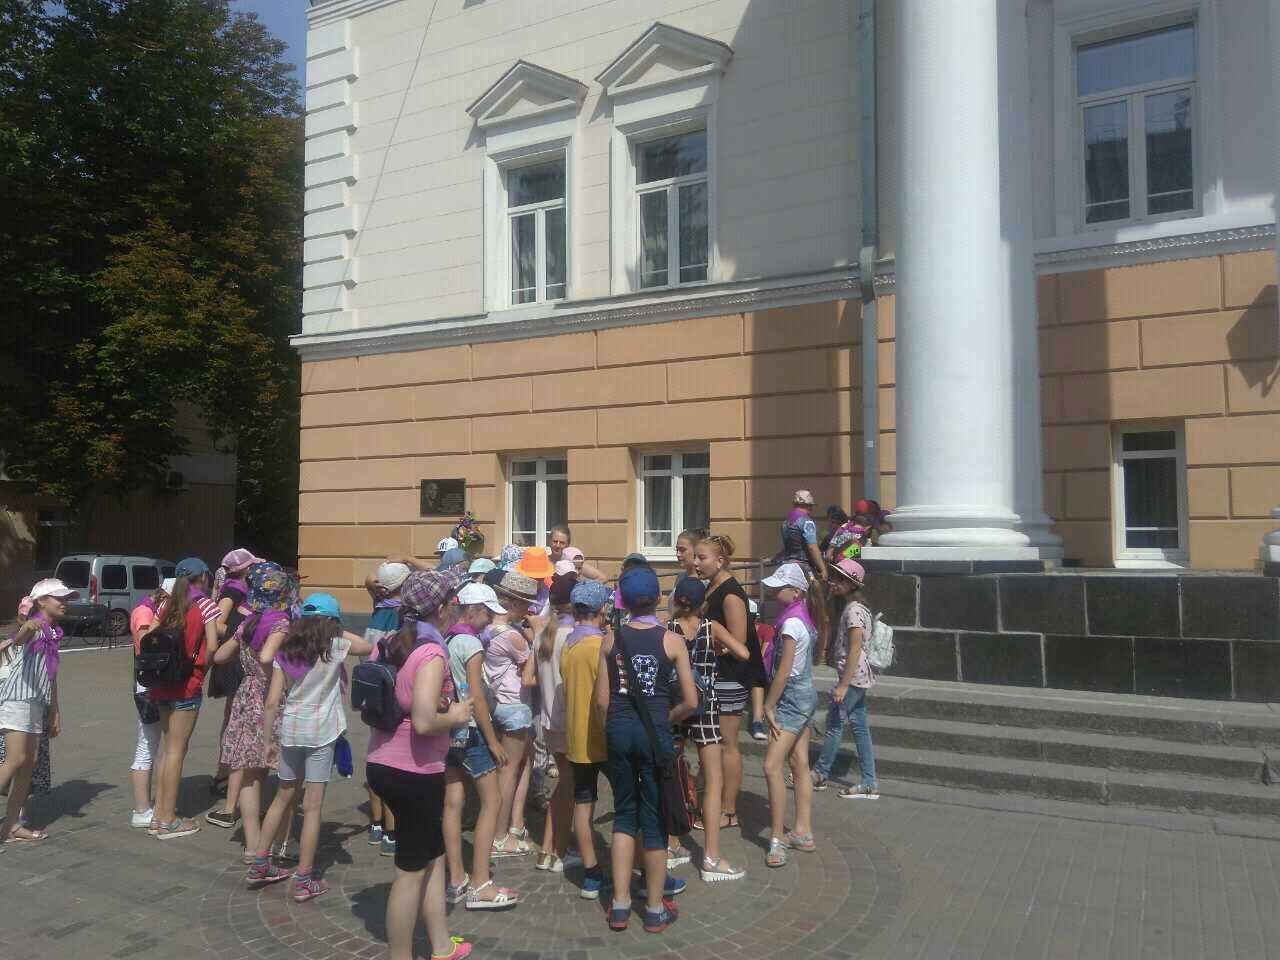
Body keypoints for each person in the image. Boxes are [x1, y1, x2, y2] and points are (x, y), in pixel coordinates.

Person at [365, 569, 474, 960]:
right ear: (441, 608)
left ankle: (441, 945)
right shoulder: (431, 652)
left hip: (382, 761)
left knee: (434, 854)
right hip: (413, 771)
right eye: (453, 601)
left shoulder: (390, 642)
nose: (456, 607)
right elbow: (425, 721)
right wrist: (456, 714)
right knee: (410, 872)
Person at [248, 593, 374, 902]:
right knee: (313, 807)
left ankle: (260, 862)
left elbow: (272, 701)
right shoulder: (336, 646)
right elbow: (366, 646)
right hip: (322, 733)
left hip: (291, 730)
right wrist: (334, 628)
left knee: (282, 797)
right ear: (332, 621)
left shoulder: (287, 649)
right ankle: (305, 878)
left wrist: (267, 742)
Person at [596, 564, 699, 933]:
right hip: (654, 735)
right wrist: (665, 718)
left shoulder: (610, 639)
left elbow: (601, 702)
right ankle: (654, 908)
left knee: (625, 814)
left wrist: (610, 730)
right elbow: (691, 701)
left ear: (622, 602)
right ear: (658, 598)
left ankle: (620, 904)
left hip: (619, 731)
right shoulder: (672, 642)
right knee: (654, 819)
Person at [207, 562, 295, 861]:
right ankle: (277, 842)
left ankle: (252, 844)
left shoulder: (248, 623)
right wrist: (271, 665)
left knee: (249, 773)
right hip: (271, 698)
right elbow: (268, 656)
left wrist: (241, 647)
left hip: (246, 696)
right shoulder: (281, 622)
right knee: (283, 773)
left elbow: (220, 656)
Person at [442, 582, 519, 911]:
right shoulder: (471, 643)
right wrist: (492, 741)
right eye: (487, 613)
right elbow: (476, 697)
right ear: (472, 610)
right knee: (492, 801)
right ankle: (480, 883)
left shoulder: (446, 638)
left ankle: (456, 878)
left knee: (453, 803)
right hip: (471, 732)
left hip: (447, 729)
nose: (490, 619)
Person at [668, 577, 748, 882]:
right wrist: (720, 650)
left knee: (671, 774)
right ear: (703, 603)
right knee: (713, 779)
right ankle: (711, 857)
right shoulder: (711, 627)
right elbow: (744, 653)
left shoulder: (668, 629)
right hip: (707, 705)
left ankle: (671, 844)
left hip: (676, 704)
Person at [146, 557, 221, 840]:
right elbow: (212, 646)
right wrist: (203, 668)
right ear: (203, 577)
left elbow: (148, 636)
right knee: (177, 751)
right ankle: (169, 820)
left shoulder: (165, 604)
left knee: (167, 751)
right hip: (187, 686)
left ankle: (158, 815)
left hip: (161, 684)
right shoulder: (206, 605)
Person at [694, 534, 764, 832]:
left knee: (727, 743)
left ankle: (729, 810)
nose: (696, 563)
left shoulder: (732, 594)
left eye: (702, 558)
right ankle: (713, 801)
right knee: (715, 742)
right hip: (713, 675)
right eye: (695, 557)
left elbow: (738, 644)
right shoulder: (711, 587)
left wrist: (707, 642)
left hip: (730, 678)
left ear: (720, 561)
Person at [0, 578, 76, 842]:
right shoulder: (34, 625)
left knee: (28, 764)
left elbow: (51, 675)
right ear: (42, 601)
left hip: (35, 702)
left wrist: (55, 710)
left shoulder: (52, 632)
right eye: (59, 598)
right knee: (15, 759)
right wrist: (27, 626)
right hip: (17, 699)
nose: (65, 603)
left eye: (66, 599)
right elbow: (19, 639)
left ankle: (11, 825)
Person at [760, 563, 826, 867]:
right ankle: (802, 831)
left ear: (797, 591)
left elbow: (784, 671)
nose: (774, 591)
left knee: (771, 765)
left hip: (792, 698)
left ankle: (776, 839)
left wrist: (768, 705)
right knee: (799, 763)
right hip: (805, 694)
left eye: (780, 587)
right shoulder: (804, 617)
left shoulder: (790, 624)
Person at [559, 579, 611, 900]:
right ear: (602, 609)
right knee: (629, 801)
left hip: (577, 738)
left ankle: (591, 872)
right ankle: (642, 867)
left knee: (583, 801)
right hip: (604, 736)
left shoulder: (569, 644)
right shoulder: (600, 646)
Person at [485, 571, 540, 859]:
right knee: (507, 772)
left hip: (499, 704)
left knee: (519, 765)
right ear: (515, 604)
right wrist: (537, 637)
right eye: (527, 604)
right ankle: (499, 836)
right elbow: (530, 670)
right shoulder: (511, 636)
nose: (529, 610)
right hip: (515, 706)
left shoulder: (489, 629)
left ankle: (514, 825)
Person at [813, 559, 879, 799]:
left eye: (839, 579)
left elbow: (854, 649)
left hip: (853, 678)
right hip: (857, 677)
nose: (833, 582)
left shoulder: (853, 611)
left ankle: (820, 774)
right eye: (833, 577)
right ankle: (869, 782)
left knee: (834, 724)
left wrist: (842, 685)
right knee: (860, 727)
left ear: (852, 584)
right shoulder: (855, 608)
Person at [362, 561, 409, 852]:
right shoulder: (402, 614)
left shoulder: (379, 606)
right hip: (392, 691)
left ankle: (376, 824)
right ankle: (392, 831)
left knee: (375, 754)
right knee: (393, 760)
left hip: (371, 690)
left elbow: (369, 580)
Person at [208, 548, 260, 803]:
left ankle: (227, 773)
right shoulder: (233, 591)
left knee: (233, 717)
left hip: (235, 657)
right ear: (244, 570)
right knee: (233, 718)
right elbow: (218, 622)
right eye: (252, 565)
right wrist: (240, 631)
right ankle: (224, 774)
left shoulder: (239, 589)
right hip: (233, 660)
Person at [534, 572, 576, 872]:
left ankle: (548, 848)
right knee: (569, 787)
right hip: (569, 721)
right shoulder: (574, 637)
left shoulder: (543, 634)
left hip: (549, 720)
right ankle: (557, 849)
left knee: (564, 783)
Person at [126, 580, 170, 829]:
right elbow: (147, 646)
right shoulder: (144, 612)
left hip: (149, 684)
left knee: (150, 744)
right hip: (147, 686)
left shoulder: (145, 610)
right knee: (147, 745)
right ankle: (141, 809)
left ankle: (145, 806)